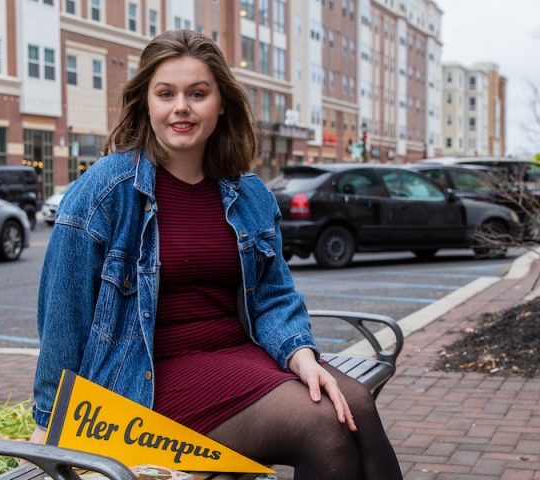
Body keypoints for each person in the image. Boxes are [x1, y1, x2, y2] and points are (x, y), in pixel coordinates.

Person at [30, 29, 402, 480]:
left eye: (197, 93)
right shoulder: (105, 191)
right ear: (147, 103)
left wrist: (300, 353)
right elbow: (62, 314)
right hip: (145, 380)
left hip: (237, 355)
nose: (181, 106)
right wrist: (49, 420)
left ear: (221, 103)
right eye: (165, 93)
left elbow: (273, 295)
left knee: (355, 403)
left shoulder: (248, 194)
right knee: (322, 425)